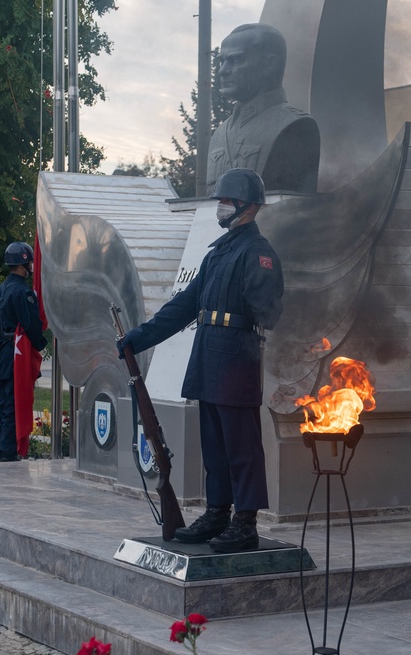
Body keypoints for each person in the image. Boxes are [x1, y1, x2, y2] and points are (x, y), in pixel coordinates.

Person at [118, 168, 284, 553]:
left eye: (227, 200)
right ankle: (217, 513)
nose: (221, 207)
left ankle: (245, 521)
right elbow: (183, 307)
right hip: (209, 358)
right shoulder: (219, 253)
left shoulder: (257, 254)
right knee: (215, 445)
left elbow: (271, 314)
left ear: (246, 206)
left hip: (238, 361)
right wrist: (138, 339)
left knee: (241, 445)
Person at [206, 23, 320, 195]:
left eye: (236, 60)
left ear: (270, 65)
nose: (222, 71)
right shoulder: (219, 134)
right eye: (222, 61)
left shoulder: (295, 125)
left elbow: (293, 208)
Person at [0, 242, 48, 462]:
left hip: (1, 351)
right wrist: (42, 343)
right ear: (24, 263)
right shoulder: (24, 292)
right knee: (13, 403)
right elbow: (31, 323)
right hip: (16, 353)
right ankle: (8, 451)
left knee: (3, 403)